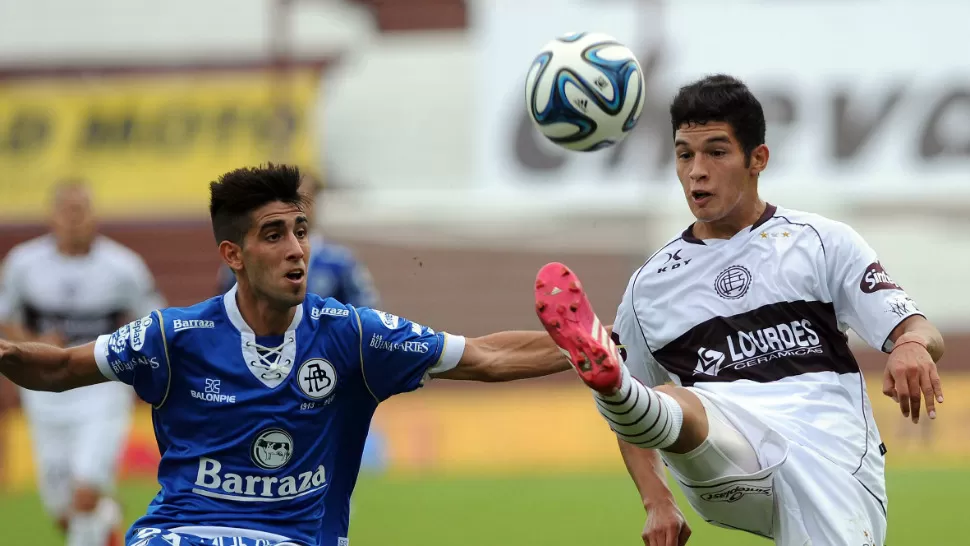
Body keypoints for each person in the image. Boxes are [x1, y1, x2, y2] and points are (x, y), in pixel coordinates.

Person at [0, 164, 572, 546]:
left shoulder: (351, 334)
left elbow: (485, 356)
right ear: (234, 254)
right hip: (183, 533)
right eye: (274, 235)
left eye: (300, 230)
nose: (297, 249)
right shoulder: (174, 336)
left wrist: (594, 348)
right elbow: (55, 368)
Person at [534, 75, 944, 546]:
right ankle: (619, 384)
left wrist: (910, 343)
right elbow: (627, 421)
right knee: (670, 400)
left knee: (659, 400)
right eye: (685, 154)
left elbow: (918, 327)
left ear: (758, 159)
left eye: (716, 152)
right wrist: (657, 501)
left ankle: (628, 390)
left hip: (829, 456)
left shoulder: (821, 242)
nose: (697, 171)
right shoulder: (650, 287)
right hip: (725, 456)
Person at [214, 170, 382, 546]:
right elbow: (225, 317)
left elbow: (367, 320)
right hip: (260, 391)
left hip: (321, 392)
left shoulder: (339, 262)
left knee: (322, 491)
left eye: (303, 200)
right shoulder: (249, 258)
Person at [0, 180, 165, 546]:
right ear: (52, 216)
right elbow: (6, 318)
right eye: (66, 210)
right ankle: (108, 519)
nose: (74, 219)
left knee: (85, 494)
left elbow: (153, 321)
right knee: (63, 510)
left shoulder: (123, 267)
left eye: (82, 210)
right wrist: (35, 342)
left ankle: (96, 511)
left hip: (101, 390)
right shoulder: (23, 264)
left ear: (94, 215)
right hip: (44, 393)